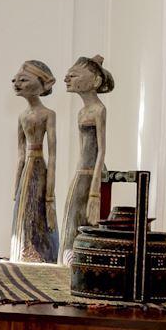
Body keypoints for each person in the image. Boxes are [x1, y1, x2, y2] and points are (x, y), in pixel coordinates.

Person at [61, 55, 114, 258]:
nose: (67, 79)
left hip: (93, 173)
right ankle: (68, 261)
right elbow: (82, 148)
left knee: (85, 220)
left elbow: (102, 149)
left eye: (73, 75)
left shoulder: (99, 110)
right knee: (71, 218)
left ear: (95, 81)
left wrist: (94, 190)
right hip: (81, 172)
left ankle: (80, 260)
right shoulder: (82, 112)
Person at [9, 59, 59, 263]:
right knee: (24, 214)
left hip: (39, 170)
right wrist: (16, 189)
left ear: (43, 84)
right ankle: (22, 255)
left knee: (37, 214)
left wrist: (49, 196)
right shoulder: (22, 117)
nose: (16, 83)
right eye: (15, 80)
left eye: (23, 79)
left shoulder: (48, 114)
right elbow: (21, 155)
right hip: (27, 173)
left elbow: (53, 154)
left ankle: (41, 256)